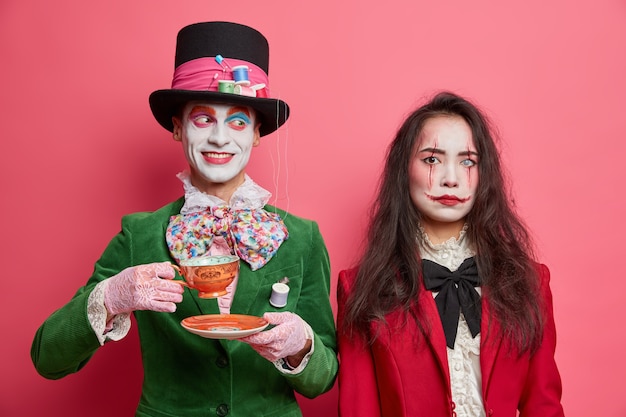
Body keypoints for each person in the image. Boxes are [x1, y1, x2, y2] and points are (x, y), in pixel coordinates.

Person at [31, 21, 338, 417]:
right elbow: (47, 359)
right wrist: (109, 297)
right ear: (178, 128)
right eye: (203, 119)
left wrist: (302, 347)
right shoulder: (139, 234)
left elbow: (324, 380)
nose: (220, 138)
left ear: (257, 134)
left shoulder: (302, 238)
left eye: (238, 121)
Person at [336, 91, 564, 417]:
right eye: (432, 159)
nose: (451, 179)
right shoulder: (360, 287)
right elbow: (360, 411)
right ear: (404, 170)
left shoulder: (529, 281)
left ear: (485, 175)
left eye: (467, 161)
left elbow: (543, 406)